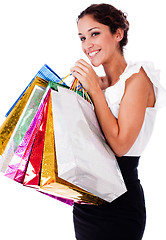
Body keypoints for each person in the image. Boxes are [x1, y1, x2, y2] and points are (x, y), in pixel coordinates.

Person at [70, 3, 166, 240]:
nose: (87, 44)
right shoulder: (98, 83)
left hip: (120, 205)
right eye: (82, 37)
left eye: (95, 34)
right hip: (86, 202)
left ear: (118, 34)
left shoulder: (138, 79)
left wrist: (93, 90)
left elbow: (121, 146)